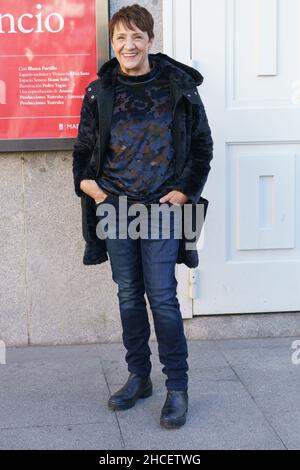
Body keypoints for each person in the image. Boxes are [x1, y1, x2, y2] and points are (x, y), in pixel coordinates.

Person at [72, 4, 213, 429]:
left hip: (162, 207)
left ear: (151, 40)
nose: (128, 45)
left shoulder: (178, 86)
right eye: (120, 38)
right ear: (112, 43)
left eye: (137, 37)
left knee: (163, 297)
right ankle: (139, 376)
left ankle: (177, 387)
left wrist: (184, 191)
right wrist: (90, 187)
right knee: (129, 295)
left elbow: (202, 146)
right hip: (116, 208)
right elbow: (83, 150)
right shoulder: (101, 90)